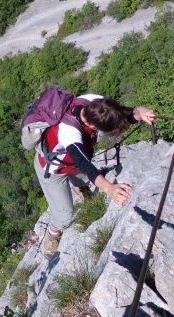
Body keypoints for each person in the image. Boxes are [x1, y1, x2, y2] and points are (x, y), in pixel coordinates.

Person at [35, 94, 156, 257]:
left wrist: (138, 112)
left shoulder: (94, 102)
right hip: (53, 169)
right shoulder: (69, 132)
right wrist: (109, 188)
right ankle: (53, 233)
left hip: (72, 163)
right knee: (64, 215)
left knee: (84, 178)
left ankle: (80, 187)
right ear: (92, 126)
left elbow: (119, 113)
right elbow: (85, 164)